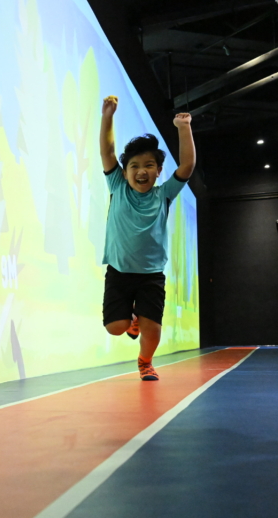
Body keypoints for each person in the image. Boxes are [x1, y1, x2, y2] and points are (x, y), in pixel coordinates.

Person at [98, 95, 195, 381]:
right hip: (119, 272)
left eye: (149, 165)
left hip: (151, 275)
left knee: (153, 330)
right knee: (115, 327)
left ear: (159, 170)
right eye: (134, 166)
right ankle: (131, 320)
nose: (141, 171)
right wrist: (107, 116)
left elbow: (187, 166)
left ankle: (145, 361)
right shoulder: (117, 186)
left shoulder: (163, 194)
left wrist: (184, 127)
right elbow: (107, 151)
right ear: (124, 171)